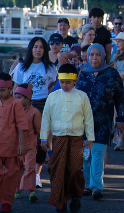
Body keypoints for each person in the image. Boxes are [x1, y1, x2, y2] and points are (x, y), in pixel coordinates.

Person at [40, 64, 94, 213]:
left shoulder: (82, 96)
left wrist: (90, 139)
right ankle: (60, 201)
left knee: (75, 170)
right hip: (58, 139)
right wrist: (44, 138)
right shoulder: (53, 96)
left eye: (68, 82)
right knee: (57, 170)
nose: (65, 85)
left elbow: (88, 119)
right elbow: (46, 119)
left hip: (76, 139)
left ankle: (75, 196)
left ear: (75, 81)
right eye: (62, 82)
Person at [77, 44, 124, 200]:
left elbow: (119, 99)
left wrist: (120, 119)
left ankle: (96, 186)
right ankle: (86, 185)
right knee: (86, 154)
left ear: (104, 56)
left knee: (98, 152)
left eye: (97, 55)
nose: (94, 58)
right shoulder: (82, 72)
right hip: (83, 122)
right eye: (91, 55)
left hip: (103, 121)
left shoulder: (112, 74)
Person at [11, 37, 58, 188]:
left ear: (45, 50)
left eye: (41, 47)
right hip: (24, 105)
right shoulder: (22, 67)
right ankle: (23, 172)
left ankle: (37, 175)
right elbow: (16, 88)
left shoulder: (49, 67)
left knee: (41, 139)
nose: (38, 50)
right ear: (31, 49)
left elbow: (54, 81)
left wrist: (46, 91)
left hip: (42, 103)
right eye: (35, 47)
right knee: (23, 138)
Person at [0, 73, 28, 213]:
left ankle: (6, 202)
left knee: (11, 175)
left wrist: (22, 144)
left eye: (2, 90)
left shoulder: (16, 104)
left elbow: (21, 125)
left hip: (11, 145)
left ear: (10, 89)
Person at [13, 84, 42, 203]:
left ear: (28, 98)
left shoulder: (35, 112)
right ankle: (17, 190)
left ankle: (32, 191)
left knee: (30, 168)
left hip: (30, 146)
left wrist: (43, 143)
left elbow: (39, 129)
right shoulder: (13, 111)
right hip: (15, 147)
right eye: (16, 97)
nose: (17, 100)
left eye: (19, 97)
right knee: (16, 169)